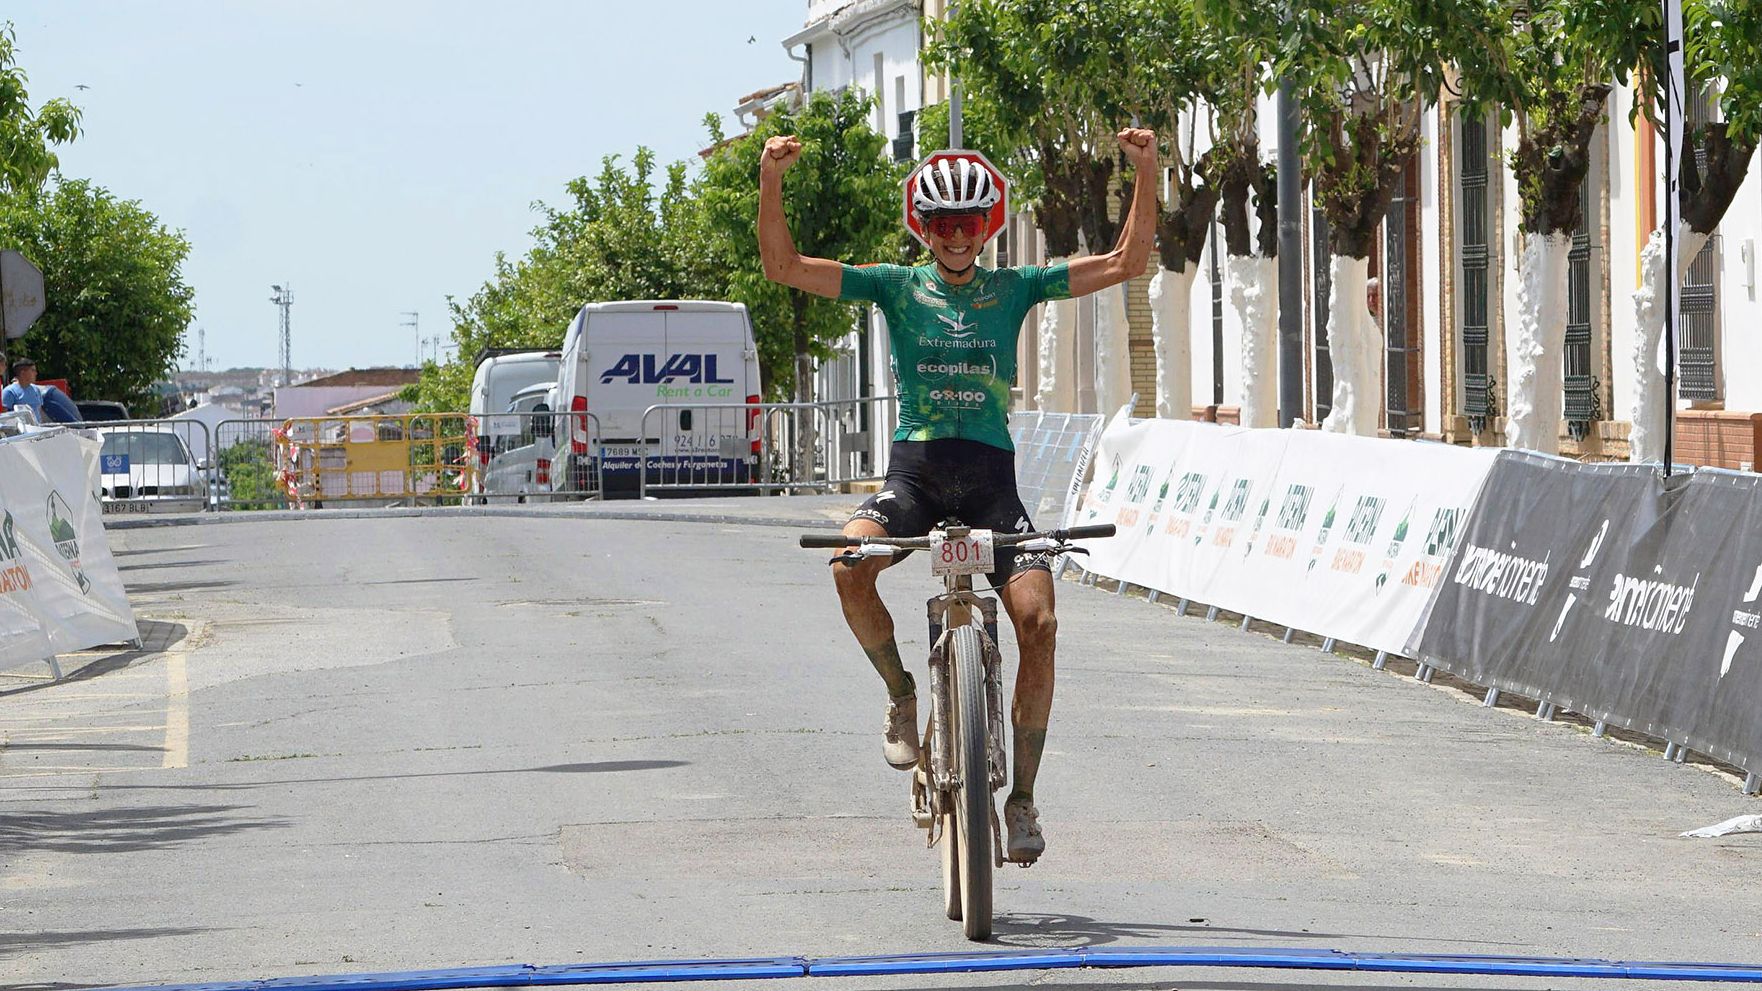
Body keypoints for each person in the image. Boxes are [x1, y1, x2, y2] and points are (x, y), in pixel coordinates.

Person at [758, 127, 1158, 863]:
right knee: (850, 565)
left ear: (987, 227)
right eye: (941, 224)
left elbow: (1128, 261)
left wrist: (1146, 168)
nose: (954, 237)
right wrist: (770, 179)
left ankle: (1024, 799)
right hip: (913, 474)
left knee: (1038, 620)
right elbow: (782, 265)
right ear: (924, 227)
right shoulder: (893, 284)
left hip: (991, 483)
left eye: (968, 224)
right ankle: (903, 693)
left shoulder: (1016, 288)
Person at [2, 359, 80, 424]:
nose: (36, 373)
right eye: (32, 370)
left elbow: (39, 412)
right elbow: (5, 418)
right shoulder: (9, 392)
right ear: (23, 373)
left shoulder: (36, 390)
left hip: (37, 432)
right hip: (21, 435)